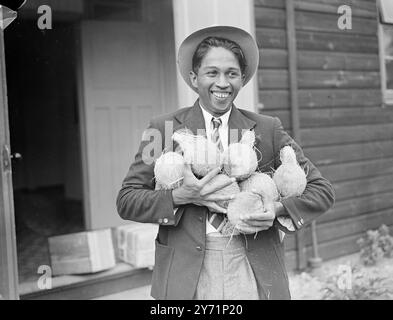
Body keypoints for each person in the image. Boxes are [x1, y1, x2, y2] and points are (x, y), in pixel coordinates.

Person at [116, 26, 335, 300]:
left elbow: (322, 191)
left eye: (232, 73)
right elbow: (127, 200)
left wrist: (276, 209)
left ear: (242, 79)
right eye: (212, 73)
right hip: (187, 275)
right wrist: (181, 196)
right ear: (194, 78)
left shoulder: (268, 129)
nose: (222, 83)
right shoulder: (163, 129)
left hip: (253, 268)